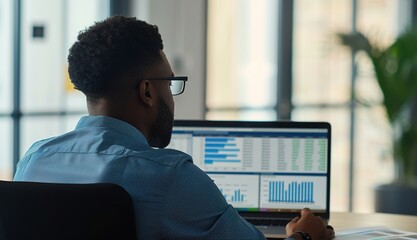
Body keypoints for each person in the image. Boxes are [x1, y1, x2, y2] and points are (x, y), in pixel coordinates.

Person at [13, 16, 334, 240]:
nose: (172, 96)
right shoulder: (169, 177)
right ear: (148, 91)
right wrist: (305, 234)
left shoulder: (33, 160)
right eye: (171, 83)